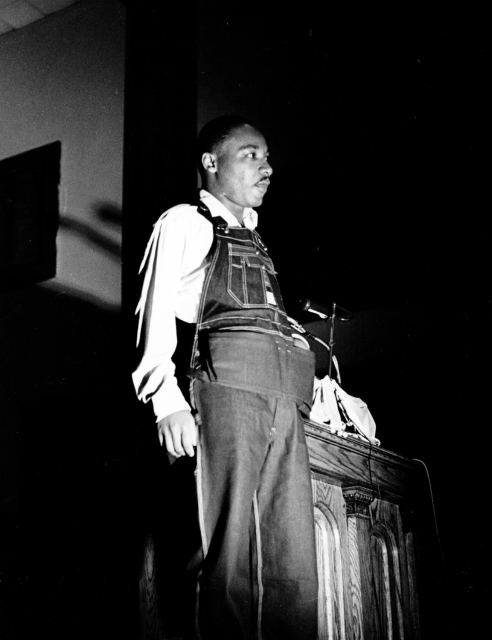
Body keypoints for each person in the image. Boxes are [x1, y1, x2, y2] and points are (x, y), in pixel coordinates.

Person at [132, 116, 319, 640]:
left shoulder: (259, 243)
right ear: (211, 163)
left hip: (286, 402)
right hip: (228, 393)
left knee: (292, 560)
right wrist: (165, 397)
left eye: (267, 156)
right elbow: (154, 312)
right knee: (227, 556)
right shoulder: (185, 223)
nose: (267, 166)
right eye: (251, 154)